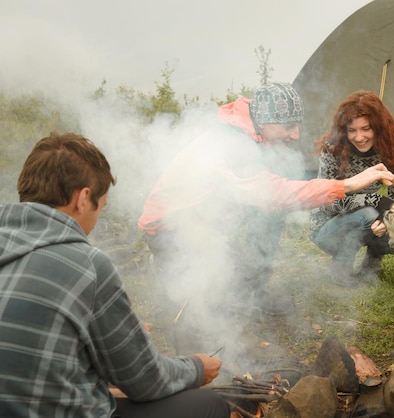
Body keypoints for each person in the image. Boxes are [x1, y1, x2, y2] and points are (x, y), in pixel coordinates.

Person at [0, 133, 230, 418]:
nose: (95, 222)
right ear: (83, 198)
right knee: (209, 406)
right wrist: (196, 367)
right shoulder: (88, 265)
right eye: (101, 207)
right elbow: (145, 382)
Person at [138, 82, 394, 318]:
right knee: (212, 311)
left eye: (296, 125)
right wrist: (349, 184)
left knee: (270, 214)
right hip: (171, 232)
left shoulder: (248, 127)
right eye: (288, 126)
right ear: (264, 122)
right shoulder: (233, 143)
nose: (295, 134)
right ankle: (172, 267)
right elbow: (274, 194)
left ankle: (253, 289)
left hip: (207, 219)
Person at [310, 90, 394, 284]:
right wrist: (374, 201)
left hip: (366, 219)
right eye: (352, 130)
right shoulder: (332, 149)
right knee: (367, 214)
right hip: (327, 229)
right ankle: (340, 270)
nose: (359, 137)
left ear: (379, 127)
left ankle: (371, 266)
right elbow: (327, 203)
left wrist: (385, 221)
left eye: (366, 129)